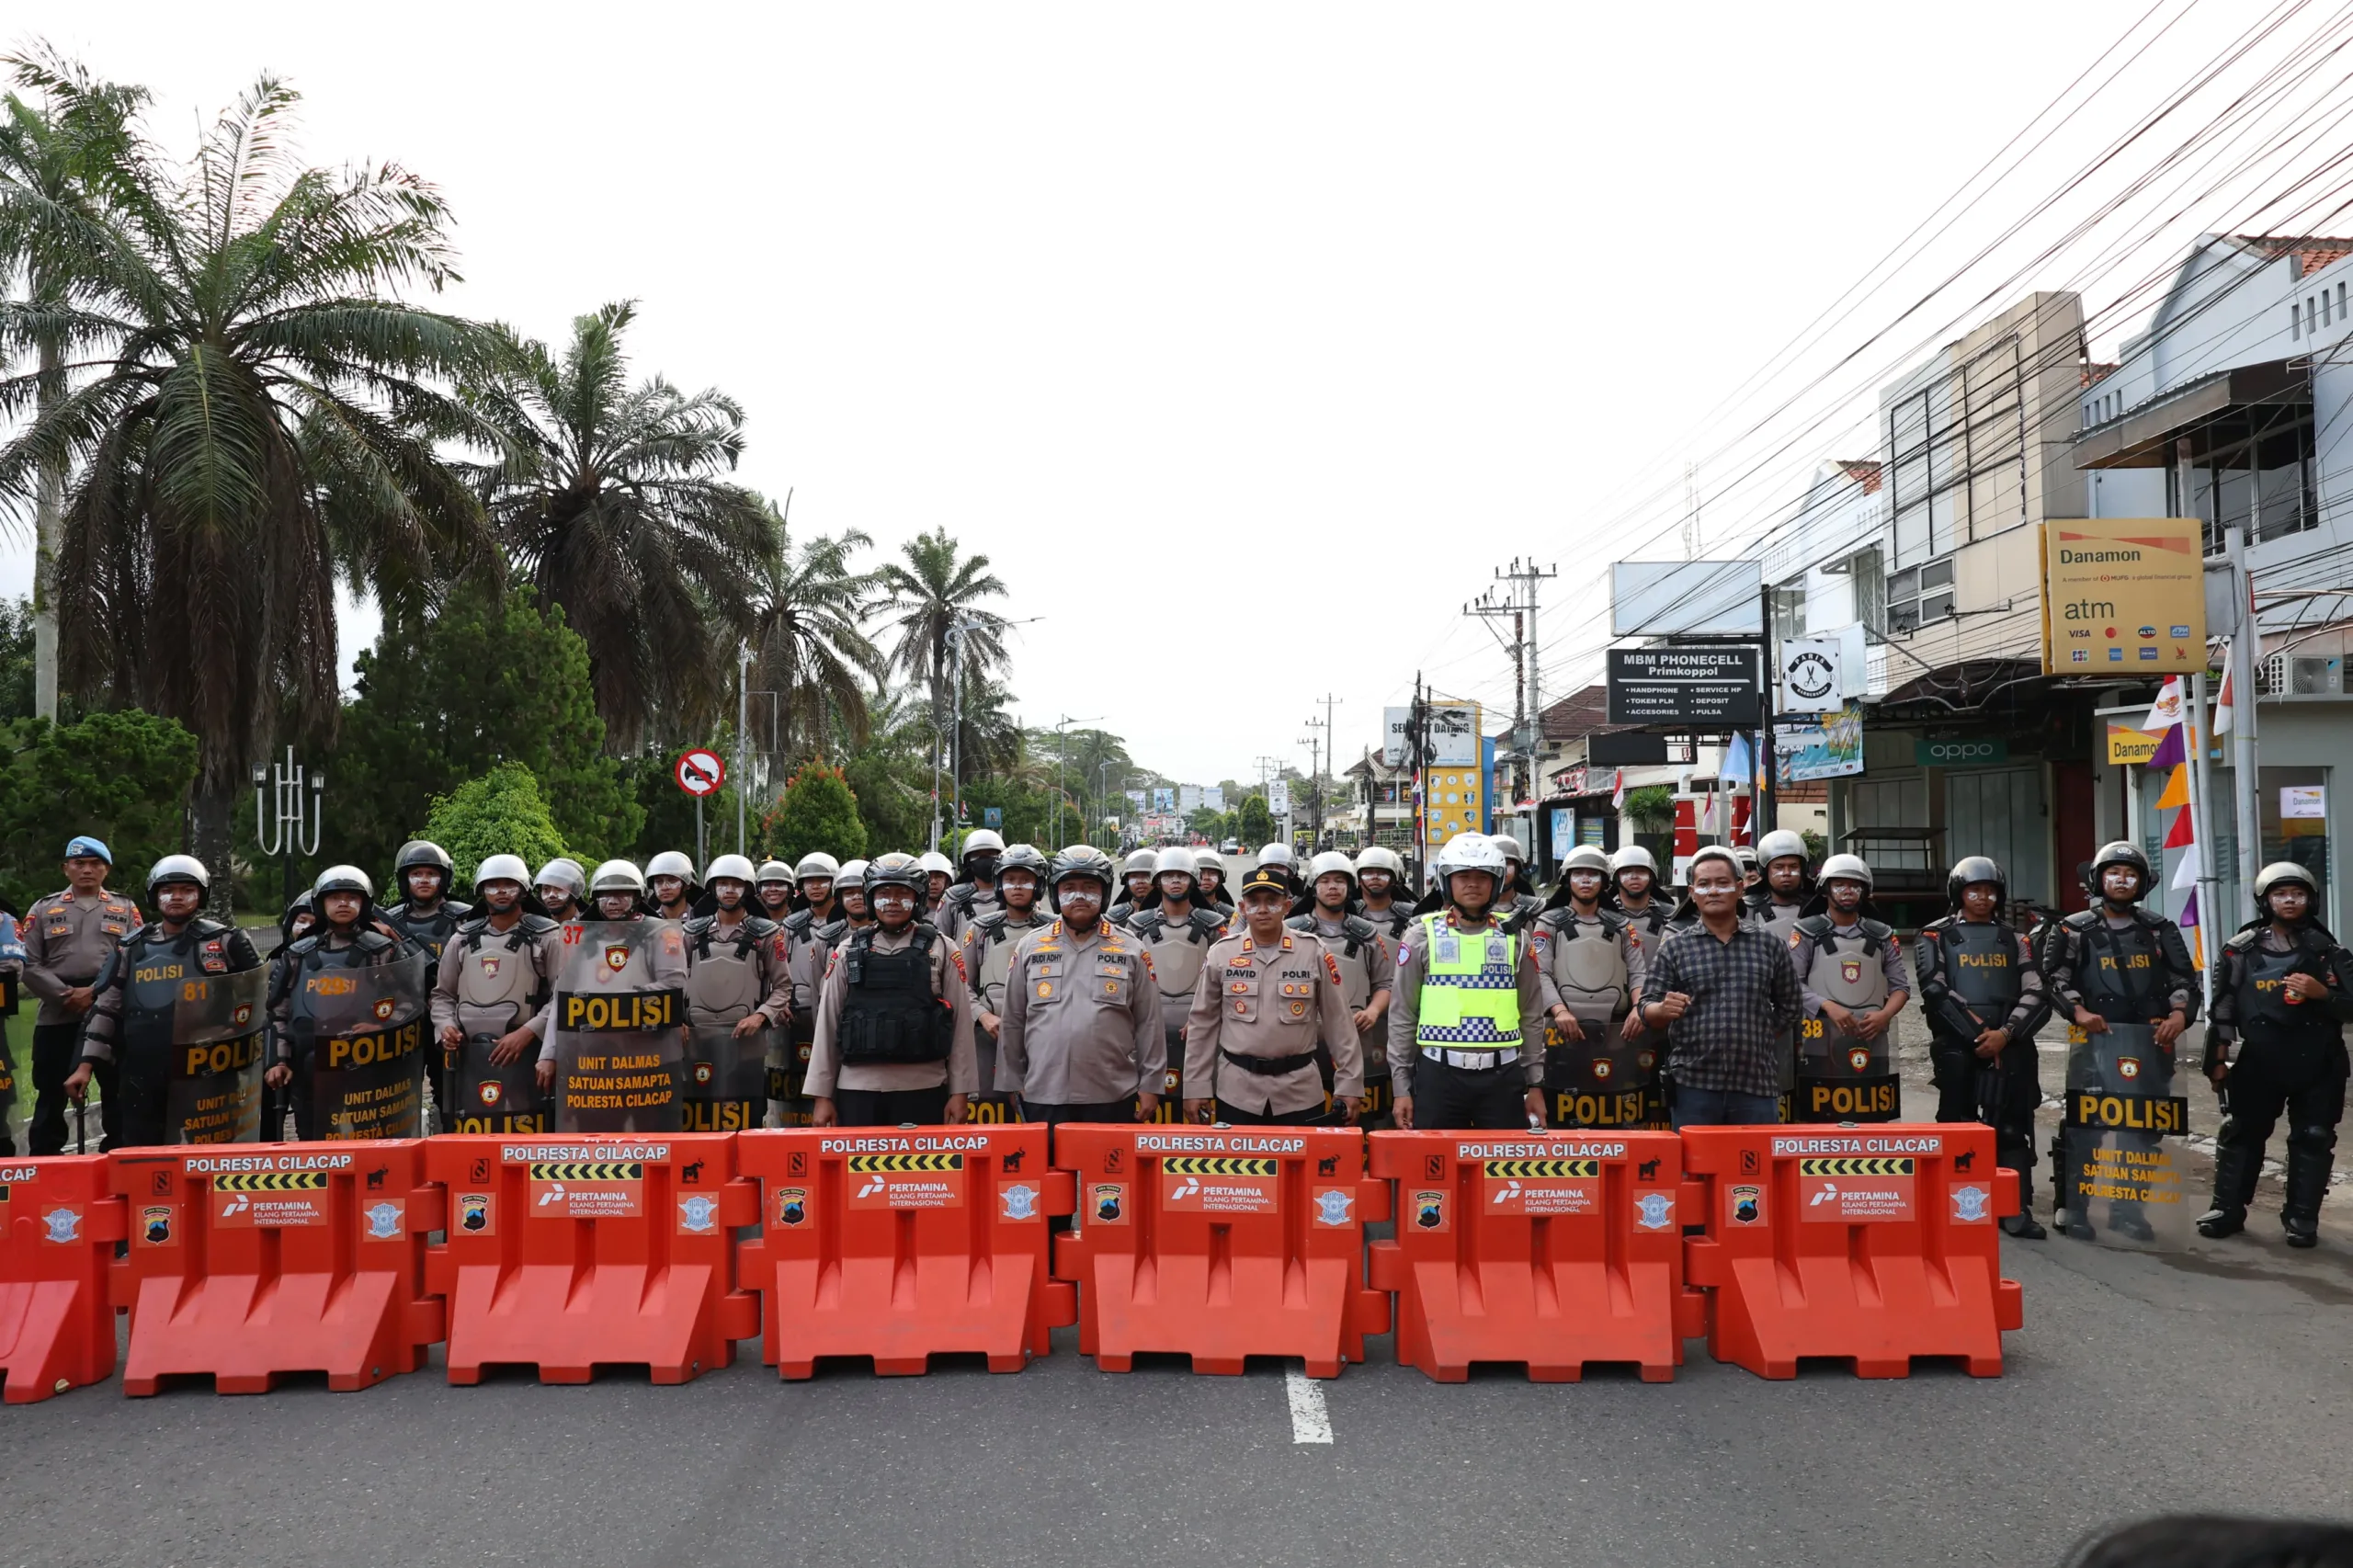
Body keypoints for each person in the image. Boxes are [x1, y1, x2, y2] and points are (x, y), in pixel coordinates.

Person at [2042, 840, 2199, 1242]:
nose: (2122, 880)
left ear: (2143, 882)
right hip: (2093, 1040)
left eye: (2130, 874)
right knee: (2086, 1127)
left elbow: (2184, 978)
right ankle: (2072, 1206)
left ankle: (2129, 1211)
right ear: (2098, 879)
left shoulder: (2160, 929)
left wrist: (2180, 1014)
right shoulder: (2073, 928)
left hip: (2149, 1042)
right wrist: (2078, 1011)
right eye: (2113, 872)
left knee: (2142, 1130)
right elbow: (2054, 979)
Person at [2199, 861, 2353, 1246]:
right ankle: (2228, 1209)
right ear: (2265, 900)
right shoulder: (2240, 951)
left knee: (2314, 1137)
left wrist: (2323, 995)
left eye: (2297, 894)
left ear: (2311, 900)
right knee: (2240, 1132)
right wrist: (2216, 1060)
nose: (2289, 901)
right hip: (2260, 1059)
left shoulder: (2330, 952)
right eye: (2280, 894)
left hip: (2319, 1061)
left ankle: (2302, 1218)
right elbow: (2222, 1009)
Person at [69, 856, 263, 1149]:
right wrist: (84, 1066)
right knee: (142, 1152)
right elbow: (105, 1008)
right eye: (167, 891)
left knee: (213, 1153)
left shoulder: (226, 941)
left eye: (187, 890)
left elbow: (260, 1000)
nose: (176, 897)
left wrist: (233, 1032)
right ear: (154, 895)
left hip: (209, 1068)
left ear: (201, 896)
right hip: (143, 1069)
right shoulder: (130, 947)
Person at [1914, 856, 2049, 1236]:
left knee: (2011, 1129)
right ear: (1959, 892)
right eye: (1975, 890)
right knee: (1957, 1126)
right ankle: (1953, 1205)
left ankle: (2015, 1208)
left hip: (2010, 1045)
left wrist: (2005, 1034)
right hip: (1959, 1045)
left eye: (1990, 891)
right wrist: (1977, 1035)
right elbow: (1935, 989)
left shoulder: (2017, 939)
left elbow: (2037, 991)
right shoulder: (1934, 936)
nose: (1982, 897)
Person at [994, 846, 1162, 1134]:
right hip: (1043, 1092)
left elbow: (1149, 1023)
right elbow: (1012, 1020)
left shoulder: (1132, 948)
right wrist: (1012, 1081)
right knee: (1046, 1177)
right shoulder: (1030, 947)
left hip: (1112, 1093)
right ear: (1055, 894)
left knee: (1108, 1180)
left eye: (1090, 887)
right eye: (1069, 887)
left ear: (1105, 893)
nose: (1079, 896)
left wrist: (1151, 1085)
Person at [1387, 833, 1545, 1131]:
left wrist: (1535, 1083)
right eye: (1463, 875)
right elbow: (1402, 1016)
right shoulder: (1421, 936)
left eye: (1482, 876)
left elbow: (1532, 1015)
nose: (1472, 883)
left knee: (1501, 1172)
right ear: (1447, 881)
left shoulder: (1517, 939)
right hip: (1438, 1075)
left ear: (1496, 882)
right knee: (1434, 1173)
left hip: (1503, 1077)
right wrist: (1401, 1087)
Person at [804, 852, 975, 1128]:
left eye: (902, 894)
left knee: (924, 1172)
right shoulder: (847, 949)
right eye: (883, 894)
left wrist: (961, 1092)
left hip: (925, 1087)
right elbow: (828, 1023)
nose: (892, 902)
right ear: (871, 898)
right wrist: (821, 1096)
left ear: (918, 899)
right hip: (858, 1090)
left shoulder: (943, 948)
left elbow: (961, 1026)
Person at [1187, 864, 1364, 1125]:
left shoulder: (1313, 951)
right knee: (1241, 1166)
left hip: (1299, 1091)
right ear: (1242, 907)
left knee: (1302, 1166)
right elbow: (1202, 1024)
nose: (1262, 909)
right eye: (1253, 901)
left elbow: (1339, 1021)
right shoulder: (1221, 953)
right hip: (1237, 1092)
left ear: (1287, 906)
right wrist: (1195, 1087)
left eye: (1272, 901)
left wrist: (1349, 1083)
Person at [1639, 845, 1802, 1128]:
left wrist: (1756, 1029)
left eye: (1722, 883)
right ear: (1692, 893)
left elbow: (1791, 1007)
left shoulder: (1769, 945)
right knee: (1697, 1170)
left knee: (1756, 1169)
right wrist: (1663, 1009)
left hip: (1756, 1085)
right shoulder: (1675, 948)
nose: (1713, 891)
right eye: (1704, 884)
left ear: (1740, 889)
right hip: (1694, 1086)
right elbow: (1645, 1007)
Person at [264, 865, 413, 1141]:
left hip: (368, 1062)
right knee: (312, 1138)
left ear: (364, 903)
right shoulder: (297, 954)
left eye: (351, 897)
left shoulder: (384, 950)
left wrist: (382, 1026)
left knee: (371, 1141)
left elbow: (411, 1003)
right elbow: (276, 1012)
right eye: (335, 898)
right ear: (321, 904)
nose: (343, 903)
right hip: (309, 1064)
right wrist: (277, 1061)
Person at [21, 835, 142, 1153]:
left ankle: (117, 1154)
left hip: (110, 1007)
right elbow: (29, 963)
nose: (87, 870)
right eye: (79, 863)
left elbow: (136, 958)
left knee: (117, 1088)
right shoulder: (45, 909)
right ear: (66, 869)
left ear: (106, 869)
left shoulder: (125, 907)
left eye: (95, 864)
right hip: (57, 1008)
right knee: (50, 1090)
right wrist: (64, 995)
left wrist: (98, 993)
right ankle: (45, 1159)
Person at [432, 854, 563, 1133]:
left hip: (526, 1050)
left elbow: (562, 997)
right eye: (493, 886)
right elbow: (442, 995)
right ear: (481, 891)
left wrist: (527, 1033)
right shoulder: (462, 938)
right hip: (468, 1054)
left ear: (523, 891)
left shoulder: (548, 936)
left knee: (525, 1130)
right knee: (468, 1130)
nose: (501, 891)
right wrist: (446, 1027)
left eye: (509, 885)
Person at [1788, 853, 1910, 1125]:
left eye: (1854, 886)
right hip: (1819, 1034)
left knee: (1872, 1114)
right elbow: (1791, 983)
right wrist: (1827, 1006)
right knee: (1818, 1115)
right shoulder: (1806, 932)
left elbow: (1901, 987)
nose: (1847, 892)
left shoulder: (1882, 934)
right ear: (1825, 889)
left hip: (1872, 1034)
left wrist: (1885, 1015)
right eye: (1839, 885)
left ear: (1864, 891)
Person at [1531, 844, 1647, 1127]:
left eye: (1593, 875)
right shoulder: (1548, 923)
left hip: (1618, 1030)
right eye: (1578, 874)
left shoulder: (1622, 926)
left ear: (1605, 882)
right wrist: (1559, 1011)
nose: (1586, 880)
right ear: (1566, 880)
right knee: (1562, 1105)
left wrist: (1639, 1008)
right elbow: (1540, 974)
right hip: (1562, 1033)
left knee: (1617, 1103)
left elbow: (1638, 973)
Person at [683, 853, 793, 1130]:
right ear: (713, 888)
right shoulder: (691, 932)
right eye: (722, 884)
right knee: (696, 1117)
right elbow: (673, 981)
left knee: (746, 1117)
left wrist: (761, 1016)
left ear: (747, 889)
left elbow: (783, 987)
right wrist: (676, 1020)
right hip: (696, 1041)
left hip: (747, 1043)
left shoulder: (768, 933)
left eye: (736, 884)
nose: (729, 890)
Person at [1289, 850, 1393, 1121]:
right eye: (1325, 880)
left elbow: (1386, 982)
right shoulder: (1291, 932)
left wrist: (1372, 1011)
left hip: (1359, 1034)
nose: (1332, 887)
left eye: (1339, 881)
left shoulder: (1367, 932)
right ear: (1313, 886)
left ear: (1350, 887)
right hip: (1303, 1038)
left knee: (1361, 1115)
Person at [1124, 846, 1227, 1118]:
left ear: (1192, 880)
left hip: (1201, 1029)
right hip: (1147, 1026)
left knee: (1202, 1102)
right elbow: (1125, 978)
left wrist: (1208, 1018)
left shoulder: (1215, 925)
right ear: (1157, 881)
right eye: (1168, 876)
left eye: (1181, 876)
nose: (1176, 881)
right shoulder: (1136, 925)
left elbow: (1226, 979)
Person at [960, 843, 1051, 1121]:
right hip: (989, 1037)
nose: (1018, 887)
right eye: (1010, 880)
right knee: (988, 1115)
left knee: (1039, 1113)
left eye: (1026, 880)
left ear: (1039, 884)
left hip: (1042, 1040)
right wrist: (983, 1016)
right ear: (999, 883)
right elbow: (962, 984)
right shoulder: (980, 930)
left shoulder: (1055, 928)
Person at [775, 851, 841, 1121]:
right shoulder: (790, 925)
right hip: (798, 1015)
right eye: (809, 881)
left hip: (837, 1012)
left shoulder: (846, 923)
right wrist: (779, 1002)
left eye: (822, 881)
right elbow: (776, 969)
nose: (815, 887)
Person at [382, 839, 472, 959]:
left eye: (431, 874)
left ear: (444, 879)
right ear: (405, 880)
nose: (424, 880)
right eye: (416, 874)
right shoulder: (390, 921)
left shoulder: (464, 918)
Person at [1744, 828, 1813, 946]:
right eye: (1779, 867)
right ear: (1765, 870)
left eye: (1793, 866)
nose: (1787, 873)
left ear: (1803, 869)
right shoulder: (1747, 910)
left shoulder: (1818, 907)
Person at [938, 828, 1006, 941]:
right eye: (977, 855)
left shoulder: (1011, 895)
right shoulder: (953, 897)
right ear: (968, 861)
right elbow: (940, 941)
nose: (984, 860)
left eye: (990, 854)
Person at [1606, 845, 1674, 944]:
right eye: (1627, 872)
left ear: (1652, 877)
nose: (1634, 876)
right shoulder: (1603, 915)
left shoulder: (1671, 916)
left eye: (1641, 871)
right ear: (1616, 878)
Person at [1354, 846, 1414, 941]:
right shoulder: (1345, 913)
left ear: (1394, 880)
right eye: (1368, 873)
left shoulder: (1414, 915)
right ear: (1359, 880)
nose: (1375, 877)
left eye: (1382, 873)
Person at [1489, 833, 1544, 932]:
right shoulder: (1472, 907)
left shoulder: (1536, 907)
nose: (1502, 869)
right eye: (1496, 863)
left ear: (1518, 868)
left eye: (1507, 863)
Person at [1109, 847, 1158, 926]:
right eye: (1134, 876)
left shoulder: (1170, 914)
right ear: (1126, 881)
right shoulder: (1115, 916)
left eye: (1146, 876)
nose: (1140, 881)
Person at [645, 851, 699, 923]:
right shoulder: (647, 923)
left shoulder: (702, 920)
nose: (664, 887)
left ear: (687, 884)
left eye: (672, 880)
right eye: (659, 882)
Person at [533, 858, 587, 924]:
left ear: (575, 890)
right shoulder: (534, 926)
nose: (551, 895)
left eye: (559, 888)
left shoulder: (592, 926)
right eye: (546, 889)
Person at [1193, 847, 1235, 914]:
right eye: (1201, 873)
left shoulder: (1230, 914)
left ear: (1220, 878)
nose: (1206, 877)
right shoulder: (1181, 910)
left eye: (1212, 873)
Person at [754, 859, 796, 923]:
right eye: (767, 885)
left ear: (789, 888)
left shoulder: (799, 915)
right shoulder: (747, 916)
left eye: (779, 884)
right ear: (759, 889)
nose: (773, 889)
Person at [918, 850, 956, 920]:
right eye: (928, 876)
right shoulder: (911, 914)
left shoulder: (956, 913)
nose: (933, 882)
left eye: (939, 876)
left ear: (947, 881)